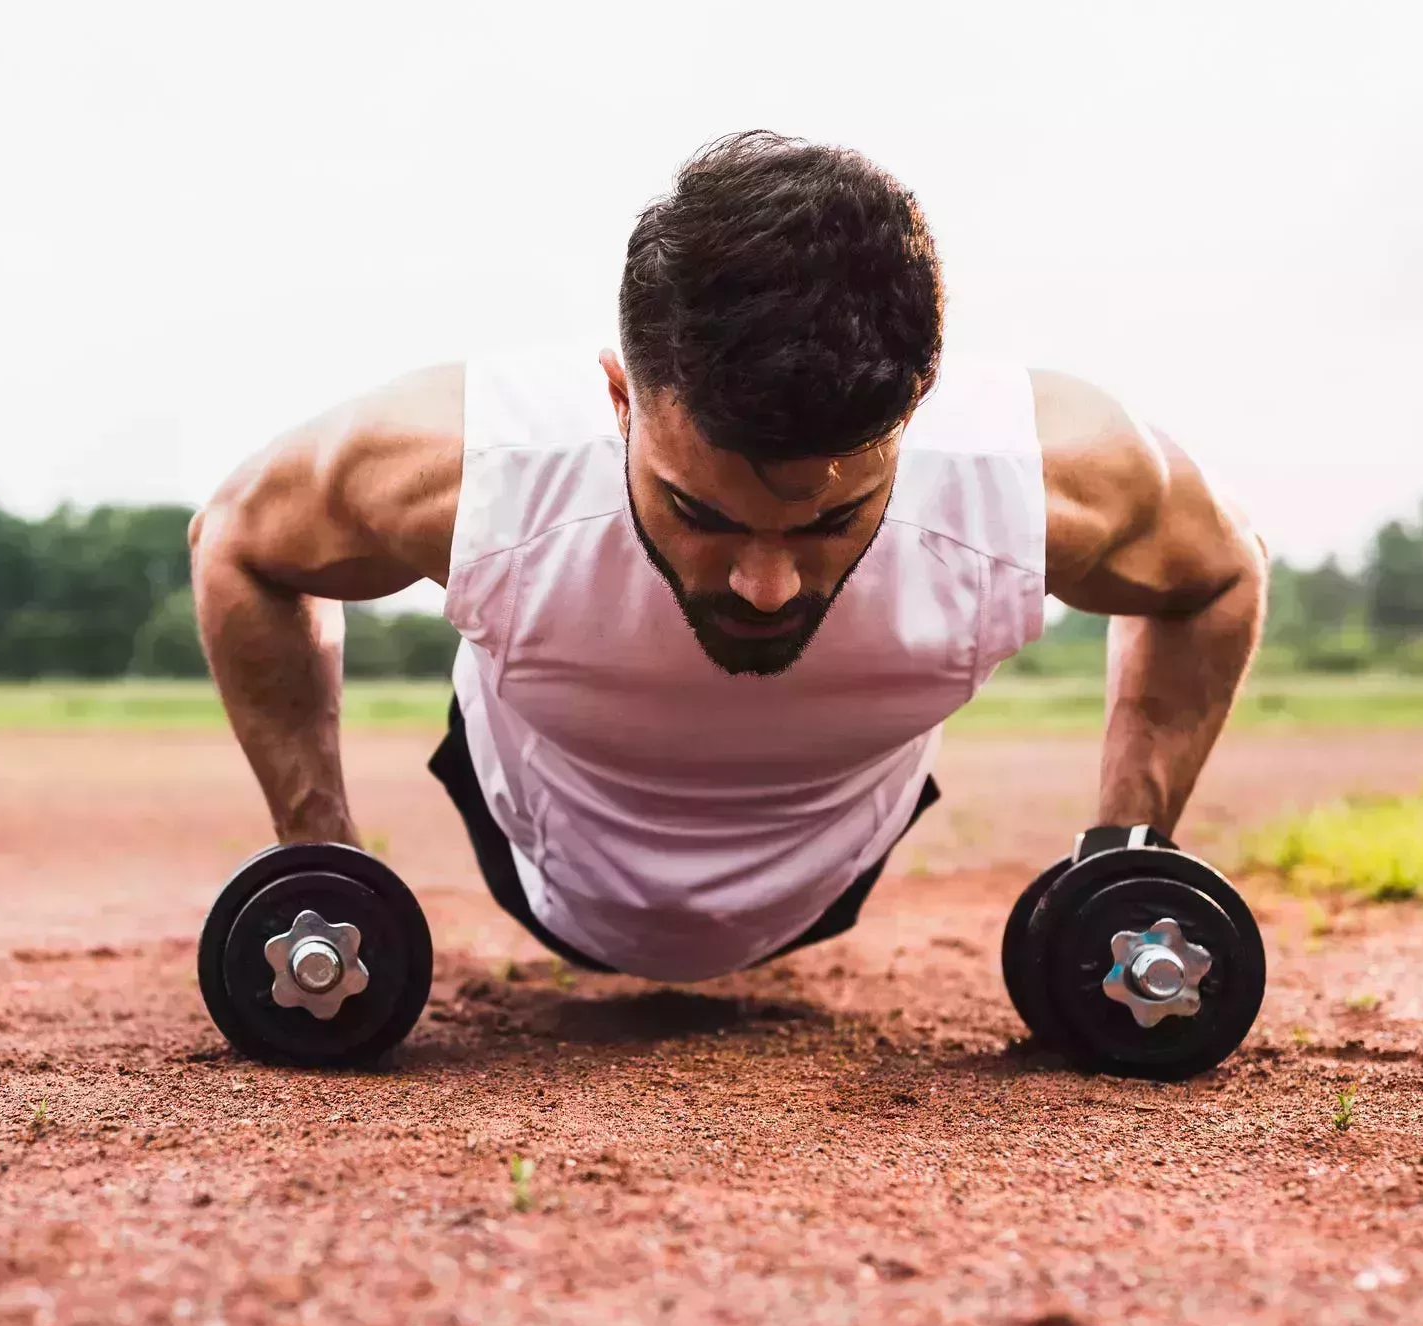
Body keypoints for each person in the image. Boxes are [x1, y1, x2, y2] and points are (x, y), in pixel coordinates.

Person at [188, 131, 1265, 983]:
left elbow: (1219, 572)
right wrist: (316, 852)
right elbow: (238, 541)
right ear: (618, 398)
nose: (765, 585)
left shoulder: (1034, 479)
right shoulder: (477, 470)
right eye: (698, 510)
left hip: (835, 863)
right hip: (542, 858)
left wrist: (1127, 851)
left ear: (915, 412)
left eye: (829, 524)